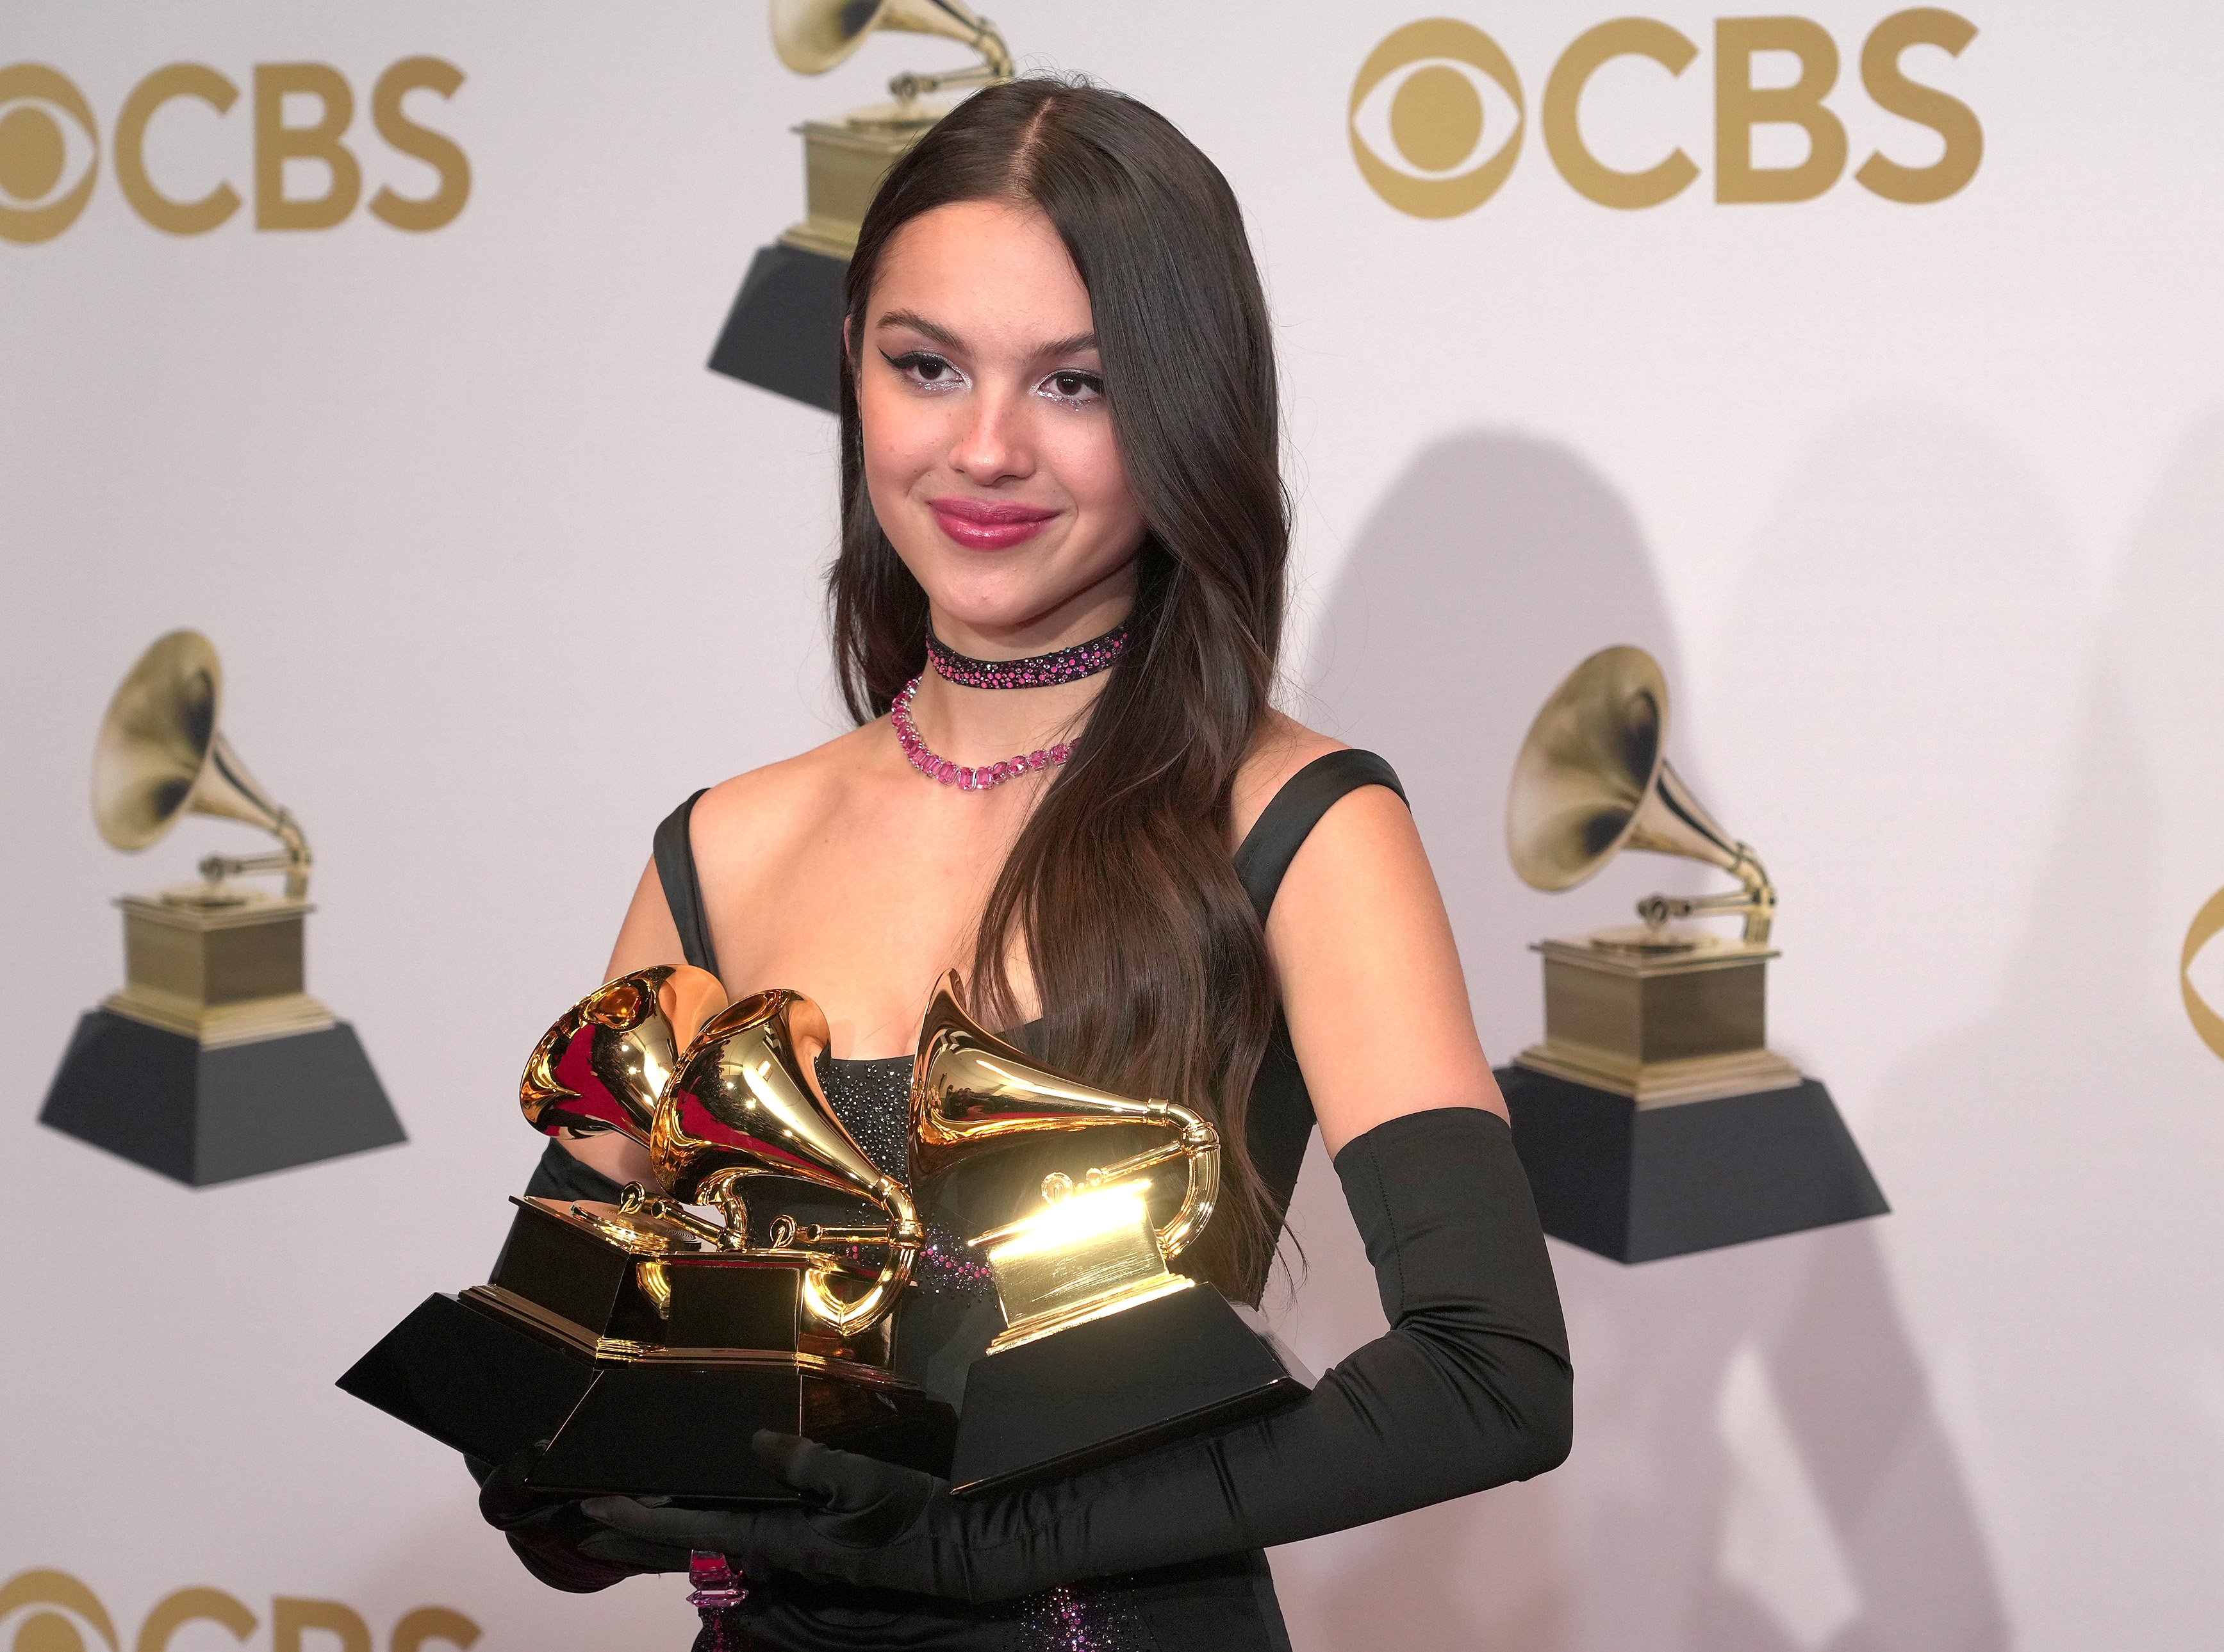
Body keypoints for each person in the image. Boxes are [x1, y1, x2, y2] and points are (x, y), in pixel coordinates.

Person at [477, 76, 1571, 1652]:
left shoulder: (1293, 817)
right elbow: (560, 1375)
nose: (984, 447)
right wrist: (565, 1486)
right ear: (854, 375)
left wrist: (977, 1541)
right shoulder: (717, 848)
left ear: (1183, 412)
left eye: (1076, 383)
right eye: (927, 366)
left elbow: (1489, 1373)